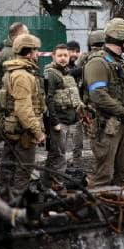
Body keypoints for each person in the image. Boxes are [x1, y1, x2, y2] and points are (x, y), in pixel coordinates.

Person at [83, 19, 124, 187]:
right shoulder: (98, 63)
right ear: (120, 38)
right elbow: (98, 96)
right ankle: (96, 209)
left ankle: (119, 209)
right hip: (106, 127)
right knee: (104, 175)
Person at [0, 33, 46, 198]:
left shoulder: (14, 71)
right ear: (28, 53)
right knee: (24, 169)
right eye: (35, 50)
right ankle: (16, 206)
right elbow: (24, 110)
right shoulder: (23, 76)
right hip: (23, 132)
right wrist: (38, 132)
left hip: (13, 128)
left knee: (8, 167)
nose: (38, 54)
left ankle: (4, 201)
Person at [42, 44, 84, 187]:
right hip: (59, 121)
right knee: (59, 155)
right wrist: (55, 122)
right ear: (53, 56)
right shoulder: (51, 74)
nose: (63, 58)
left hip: (69, 120)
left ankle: (46, 183)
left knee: (55, 153)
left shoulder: (67, 72)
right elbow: (48, 99)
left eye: (65, 55)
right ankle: (58, 185)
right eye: (59, 55)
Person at [65, 40, 85, 163]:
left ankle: (76, 160)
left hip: (77, 110)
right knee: (63, 140)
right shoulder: (61, 66)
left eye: (77, 52)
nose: (75, 54)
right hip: (64, 111)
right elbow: (67, 74)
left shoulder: (76, 67)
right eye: (72, 51)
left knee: (78, 138)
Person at [0, 22, 29, 96]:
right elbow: (14, 82)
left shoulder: (16, 50)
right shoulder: (11, 54)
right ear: (16, 36)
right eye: (26, 34)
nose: (29, 37)